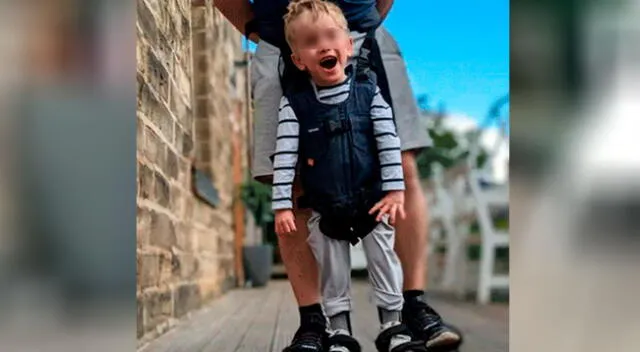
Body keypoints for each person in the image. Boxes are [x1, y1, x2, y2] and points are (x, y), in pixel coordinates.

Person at [213, 0, 463, 351]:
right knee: (292, 184)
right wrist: (261, 31)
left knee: (401, 167)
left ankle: (412, 307)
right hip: (280, 42)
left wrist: (359, 22)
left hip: (361, 32)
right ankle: (315, 324)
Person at [272, 2, 428, 351]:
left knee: (384, 260)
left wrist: (394, 191)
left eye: (331, 37)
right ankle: (339, 331)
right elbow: (284, 157)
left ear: (348, 47)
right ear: (299, 60)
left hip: (371, 201)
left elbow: (389, 143)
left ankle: (394, 326)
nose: (324, 45)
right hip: (326, 207)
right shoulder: (294, 106)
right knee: (333, 269)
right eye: (312, 41)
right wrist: (282, 205)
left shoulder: (369, 92)